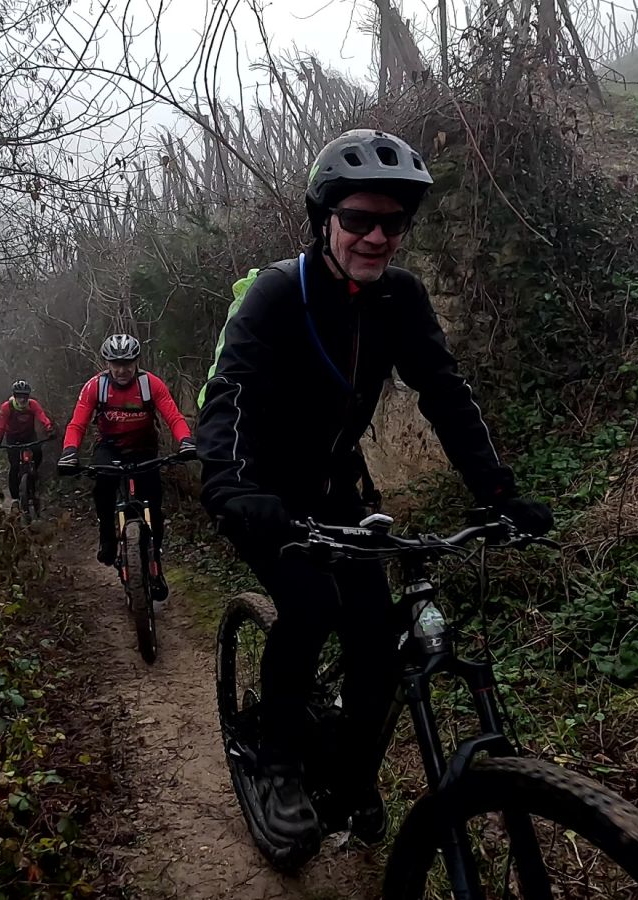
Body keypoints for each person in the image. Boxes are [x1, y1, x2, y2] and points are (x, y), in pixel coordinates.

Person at [194, 129, 554, 859]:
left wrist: (497, 491)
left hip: (335, 493)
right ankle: (278, 762)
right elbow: (229, 394)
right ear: (324, 218)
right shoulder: (278, 293)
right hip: (261, 489)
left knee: (377, 642)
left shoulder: (400, 297)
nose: (377, 236)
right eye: (359, 218)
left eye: (394, 223)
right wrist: (230, 486)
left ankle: (351, 773)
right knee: (310, 607)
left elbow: (444, 393)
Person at [57, 334, 195, 576]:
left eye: (127, 363)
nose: (122, 370)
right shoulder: (95, 387)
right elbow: (77, 424)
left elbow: (174, 417)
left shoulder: (150, 385)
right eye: (116, 364)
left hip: (144, 448)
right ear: (107, 364)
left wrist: (185, 441)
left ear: (136, 362)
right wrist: (69, 452)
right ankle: (107, 536)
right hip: (109, 447)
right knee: (103, 487)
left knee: (154, 503)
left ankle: (155, 560)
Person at [0, 380, 55, 514]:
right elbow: (1, 425)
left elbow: (42, 417)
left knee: (38, 453)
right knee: (14, 466)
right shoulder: (7, 407)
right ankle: (15, 499)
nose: (22, 399)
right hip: (13, 438)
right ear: (14, 396)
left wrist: (49, 429)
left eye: (25, 396)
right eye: (19, 396)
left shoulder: (33, 404)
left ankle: (34, 477)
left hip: (29, 435)